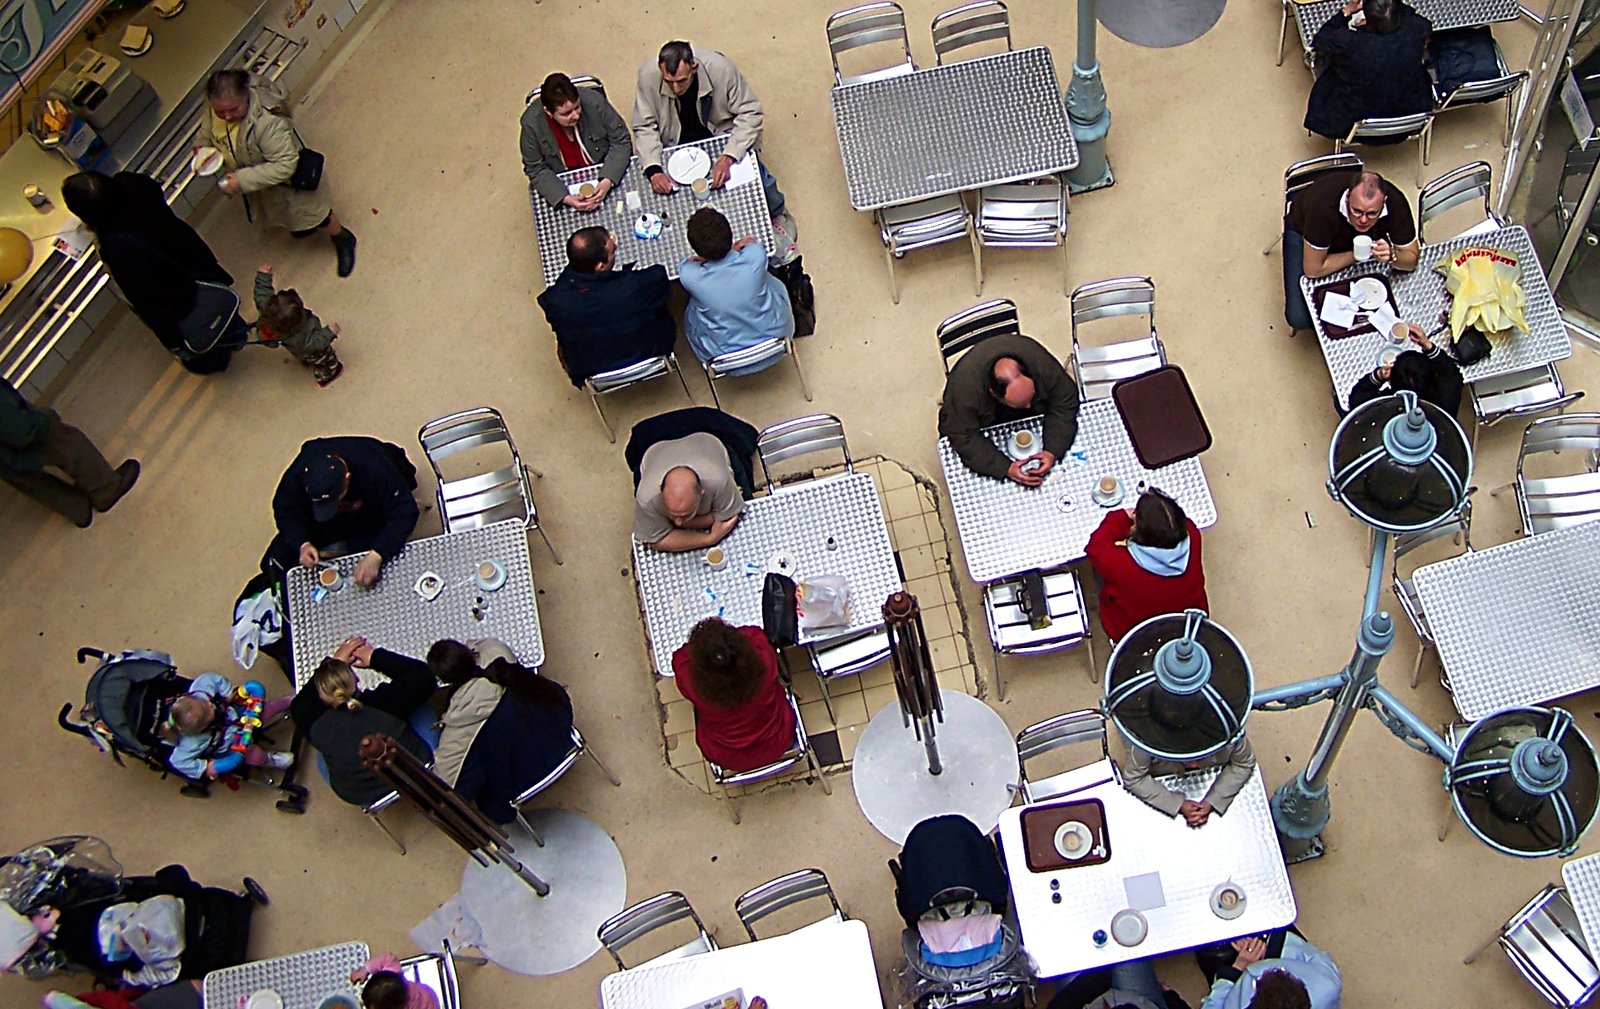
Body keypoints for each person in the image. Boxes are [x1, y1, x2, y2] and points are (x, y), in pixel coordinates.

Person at [60, 171, 241, 373]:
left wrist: (172, 341)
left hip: (177, 298)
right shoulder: (131, 182)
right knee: (218, 299)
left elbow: (147, 303)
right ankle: (236, 334)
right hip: (193, 257)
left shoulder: (116, 249)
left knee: (202, 328)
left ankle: (217, 359)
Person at [205, 70, 358, 277]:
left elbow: (285, 165)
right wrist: (201, 147)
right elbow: (207, 130)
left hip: (290, 184)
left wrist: (241, 180)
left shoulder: (268, 123)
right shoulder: (222, 108)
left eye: (233, 110)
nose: (227, 117)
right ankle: (303, 225)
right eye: (220, 112)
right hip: (266, 182)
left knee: (317, 214)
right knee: (289, 214)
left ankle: (342, 237)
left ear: (246, 97)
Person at [632, 41, 790, 226]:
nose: (675, 89)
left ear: (694, 67)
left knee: (754, 177)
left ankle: (777, 212)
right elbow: (644, 126)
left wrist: (728, 156)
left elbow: (751, 112)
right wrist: (653, 169)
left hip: (722, 134)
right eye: (669, 82)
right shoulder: (647, 77)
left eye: (681, 81)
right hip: (674, 142)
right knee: (669, 198)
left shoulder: (722, 70)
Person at [427, 638, 576, 825]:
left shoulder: (458, 727)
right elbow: (480, 644)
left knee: (477, 781)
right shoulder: (496, 652)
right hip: (560, 732)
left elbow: (445, 785)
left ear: (443, 681)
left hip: (527, 777)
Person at [289, 636, 437, 807]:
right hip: (413, 771)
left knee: (322, 755)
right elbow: (424, 676)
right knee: (421, 707)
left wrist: (333, 665)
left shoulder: (311, 720)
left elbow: (299, 704)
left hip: (359, 794)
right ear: (356, 680)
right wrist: (375, 657)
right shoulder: (384, 704)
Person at [264, 436, 419, 586]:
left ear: (347, 477)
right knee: (275, 561)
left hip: (368, 513)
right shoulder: (298, 474)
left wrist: (377, 554)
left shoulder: (374, 467)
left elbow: (406, 512)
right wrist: (302, 544)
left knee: (381, 562)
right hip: (322, 522)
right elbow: (285, 511)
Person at [535, 226, 676, 388]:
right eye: (612, 252)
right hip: (646, 354)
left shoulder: (555, 300)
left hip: (587, 367)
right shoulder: (631, 288)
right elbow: (660, 277)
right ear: (600, 267)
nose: (615, 247)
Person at [1283, 170, 1419, 332]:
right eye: (1357, 211)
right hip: (1304, 232)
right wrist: (1358, 255)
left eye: (1372, 214)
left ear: (1384, 202)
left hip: (1356, 240)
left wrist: (1393, 256)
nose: (1363, 220)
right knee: (1299, 317)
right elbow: (1313, 269)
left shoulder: (1396, 203)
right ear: (1347, 198)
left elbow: (1411, 261)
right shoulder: (1322, 208)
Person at [938, 334, 1081, 487]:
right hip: (984, 418)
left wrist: (1052, 450)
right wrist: (1005, 468)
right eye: (1022, 404)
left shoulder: (1040, 363)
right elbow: (962, 436)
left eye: (1030, 399)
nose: (1028, 407)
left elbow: (1065, 400)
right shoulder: (965, 392)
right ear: (993, 393)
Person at [0, 378, 138, 527]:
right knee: (59, 440)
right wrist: (44, 420)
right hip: (20, 430)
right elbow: (21, 429)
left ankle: (77, 508)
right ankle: (105, 490)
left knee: (18, 472)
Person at [1085, 488, 1209, 643]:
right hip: (1188, 624)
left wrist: (1120, 518)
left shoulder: (1120, 565)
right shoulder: (1193, 534)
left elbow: (1095, 547)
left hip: (1134, 634)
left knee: (1098, 572)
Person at [671, 618, 796, 770]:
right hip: (778, 740)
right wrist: (726, 645)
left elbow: (678, 658)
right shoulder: (765, 662)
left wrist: (706, 649)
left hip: (728, 755)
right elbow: (755, 633)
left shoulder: (692, 685)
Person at [1305, 0, 1434, 143]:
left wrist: (1347, 11)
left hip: (1352, 124)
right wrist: (1389, 10)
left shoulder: (1348, 42)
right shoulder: (1416, 29)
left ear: (1366, 17)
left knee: (1329, 62)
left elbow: (1320, 39)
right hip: (1410, 118)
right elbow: (1413, 16)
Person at [679, 207, 793, 370]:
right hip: (778, 340)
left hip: (725, 360)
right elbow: (753, 244)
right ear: (730, 234)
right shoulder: (755, 257)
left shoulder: (690, 277)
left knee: (692, 309)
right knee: (769, 281)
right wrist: (735, 248)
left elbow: (686, 265)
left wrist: (703, 259)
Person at [520, 72, 632, 211]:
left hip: (605, 169)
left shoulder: (594, 102)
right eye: (566, 113)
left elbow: (621, 141)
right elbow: (535, 168)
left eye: (577, 107)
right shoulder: (532, 125)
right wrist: (565, 197)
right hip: (563, 181)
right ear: (548, 112)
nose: (576, 115)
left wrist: (607, 180)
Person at [163, 673, 295, 779]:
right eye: (209, 713)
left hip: (237, 714)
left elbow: (211, 679)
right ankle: (269, 759)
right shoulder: (189, 744)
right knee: (256, 756)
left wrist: (229, 692)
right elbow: (178, 762)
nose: (211, 705)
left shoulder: (201, 689)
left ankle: (291, 701)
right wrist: (207, 767)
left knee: (266, 708)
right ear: (200, 730)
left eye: (206, 703)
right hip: (232, 745)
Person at [632, 431, 745, 551]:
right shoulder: (647, 498)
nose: (679, 523)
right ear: (661, 491)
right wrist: (710, 538)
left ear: (701, 494)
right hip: (654, 452)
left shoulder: (718, 481)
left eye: (685, 515)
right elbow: (656, 540)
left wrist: (672, 525)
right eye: (673, 515)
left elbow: (729, 517)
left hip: (706, 444)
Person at [1196, 929, 1342, 1009]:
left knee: (1210, 947)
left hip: (1235, 976)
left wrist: (1239, 966)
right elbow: (1313, 956)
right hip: (1281, 949)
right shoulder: (1328, 985)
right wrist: (1265, 948)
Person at [252, 265, 343, 386]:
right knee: (325, 358)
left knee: (302, 354)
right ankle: (328, 373)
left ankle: (305, 360)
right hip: (309, 350)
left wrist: (263, 276)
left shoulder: (267, 309)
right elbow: (316, 343)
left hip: (295, 348)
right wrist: (330, 332)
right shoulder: (301, 336)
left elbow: (262, 292)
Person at [1345, 323, 1463, 415]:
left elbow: (1356, 404)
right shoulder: (1448, 395)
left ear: (1390, 382)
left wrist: (1377, 377)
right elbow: (1451, 373)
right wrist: (1427, 345)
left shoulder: (1386, 405)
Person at [1047, 958, 1193, 1009]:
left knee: (1073, 952)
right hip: (1144, 1002)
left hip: (1086, 1003)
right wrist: (1171, 998)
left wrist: (1098, 977)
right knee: (1126, 938)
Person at [352, 952, 439, 1009]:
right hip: (426, 991)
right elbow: (388, 959)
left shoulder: (409, 1006)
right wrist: (365, 970)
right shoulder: (393, 972)